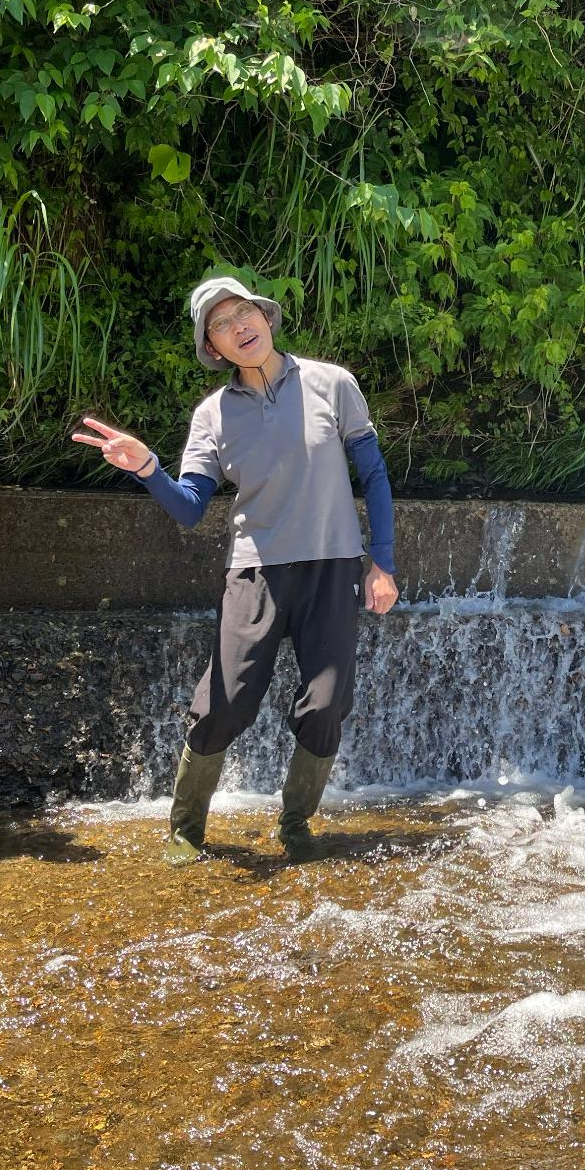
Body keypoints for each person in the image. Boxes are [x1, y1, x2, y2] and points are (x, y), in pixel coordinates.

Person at [74, 276, 398, 864]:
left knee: (327, 703)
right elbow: (191, 507)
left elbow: (373, 475)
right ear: (213, 347)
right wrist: (147, 466)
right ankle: (184, 827)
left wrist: (382, 562)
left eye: (244, 312)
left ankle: (296, 824)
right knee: (226, 703)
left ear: (266, 318)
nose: (238, 326)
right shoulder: (213, 413)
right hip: (256, 573)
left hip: (333, 568)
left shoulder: (333, 383)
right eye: (220, 324)